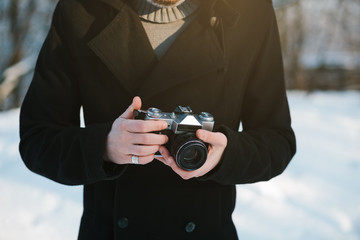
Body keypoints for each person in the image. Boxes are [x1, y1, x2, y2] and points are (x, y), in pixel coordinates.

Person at [19, 0, 296, 239]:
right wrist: (104, 147)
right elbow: (38, 139)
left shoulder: (249, 12)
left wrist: (224, 156)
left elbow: (277, 141)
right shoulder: (81, 10)